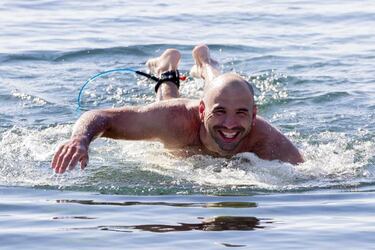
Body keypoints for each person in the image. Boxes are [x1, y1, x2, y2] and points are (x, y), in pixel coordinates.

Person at [51, 44, 304, 174]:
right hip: (180, 114)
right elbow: (101, 117)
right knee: (169, 106)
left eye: (241, 113)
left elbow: (314, 175)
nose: (229, 124)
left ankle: (204, 62)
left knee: (224, 89)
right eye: (219, 112)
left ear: (254, 114)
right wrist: (80, 140)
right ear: (202, 110)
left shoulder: (267, 140)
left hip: (212, 98)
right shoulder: (176, 119)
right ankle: (166, 68)